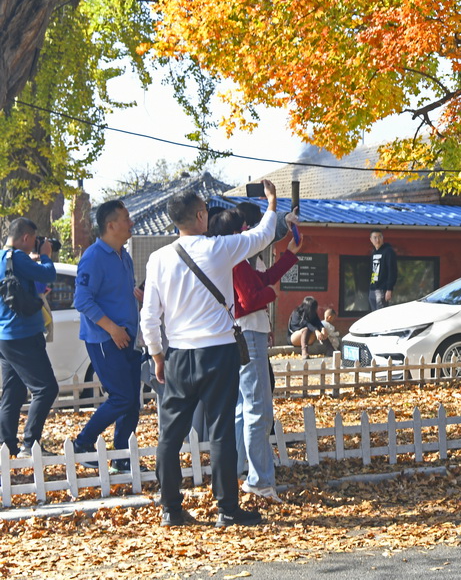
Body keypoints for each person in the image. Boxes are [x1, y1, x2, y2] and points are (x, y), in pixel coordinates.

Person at [140, 181, 280, 527]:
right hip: (218, 351)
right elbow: (262, 236)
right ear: (201, 216)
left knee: (170, 435)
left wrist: (157, 355)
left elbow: (149, 315)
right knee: (220, 432)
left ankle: (171, 508)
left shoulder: (158, 258)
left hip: (178, 354)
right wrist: (273, 204)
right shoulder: (219, 249)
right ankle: (227, 510)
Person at [228, 202, 302, 502]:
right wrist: (273, 295)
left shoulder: (234, 254)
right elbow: (250, 298)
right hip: (248, 334)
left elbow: (264, 277)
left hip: (240, 334)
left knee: (243, 408)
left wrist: (289, 255)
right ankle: (260, 480)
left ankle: (241, 470)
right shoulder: (238, 256)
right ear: (245, 228)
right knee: (258, 408)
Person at [71, 200, 143, 472]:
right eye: (126, 218)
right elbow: (82, 300)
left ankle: (123, 458)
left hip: (128, 338)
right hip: (104, 339)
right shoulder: (93, 256)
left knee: (131, 402)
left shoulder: (123, 255)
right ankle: (83, 442)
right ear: (111, 225)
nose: (131, 222)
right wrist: (112, 328)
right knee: (121, 397)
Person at [0, 218, 57, 457]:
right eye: (34, 239)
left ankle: (6, 445)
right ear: (26, 237)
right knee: (46, 388)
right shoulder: (19, 258)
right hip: (23, 334)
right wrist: (45, 255)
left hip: (5, 335)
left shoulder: (5, 258)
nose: (36, 243)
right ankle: (30, 444)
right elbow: (49, 273)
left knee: (13, 392)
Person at [368, 230, 397, 310]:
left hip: (382, 289)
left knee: (380, 314)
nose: (378, 240)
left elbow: (392, 271)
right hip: (372, 288)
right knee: (373, 314)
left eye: (380, 237)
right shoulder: (373, 252)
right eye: (375, 237)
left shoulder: (388, 251)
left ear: (383, 238)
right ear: (371, 239)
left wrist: (389, 289)